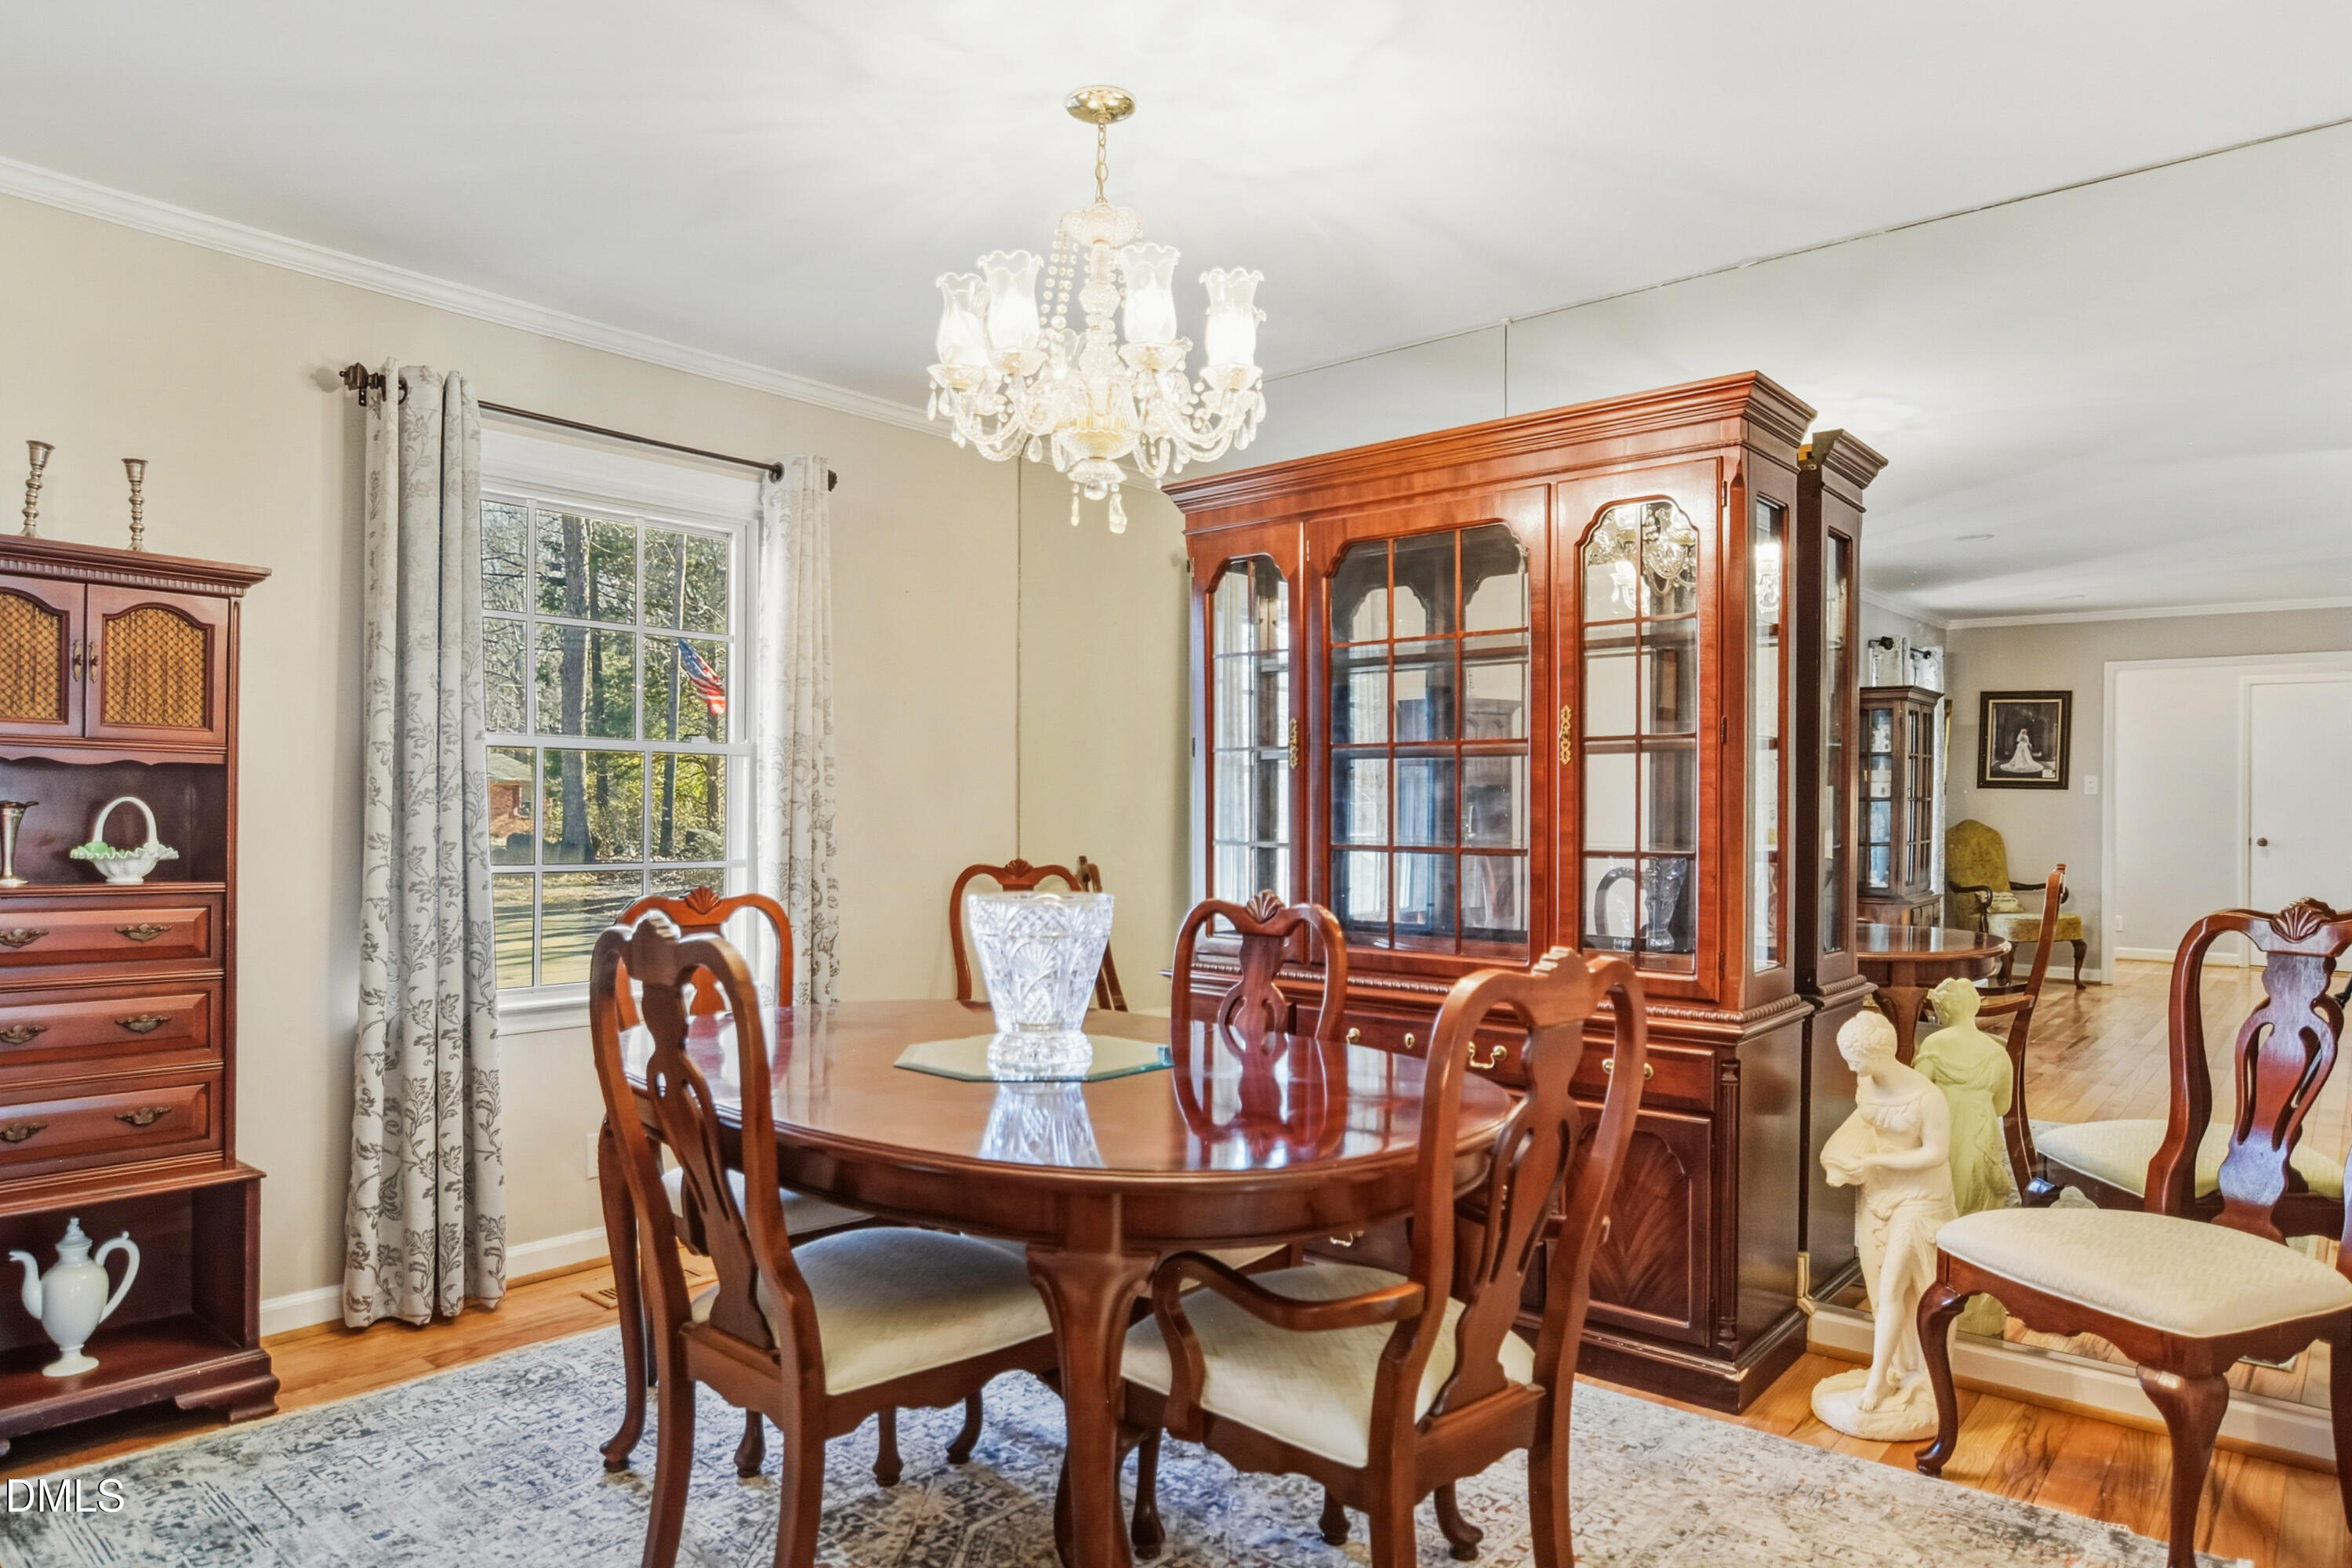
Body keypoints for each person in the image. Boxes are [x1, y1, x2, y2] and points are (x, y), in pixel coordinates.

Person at [1812, 1011, 1959, 1437]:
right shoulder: (1867, 1084)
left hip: (1921, 1199)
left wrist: (1877, 1160)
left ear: (1876, 1053)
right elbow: (1863, 1121)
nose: (1849, 1066)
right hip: (1881, 1193)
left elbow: (1935, 1154)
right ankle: (1896, 1370)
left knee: (1899, 1285)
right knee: (1880, 1286)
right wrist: (1840, 1154)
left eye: (1853, 1058)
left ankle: (1886, 1380)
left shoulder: (1926, 1098)